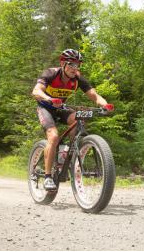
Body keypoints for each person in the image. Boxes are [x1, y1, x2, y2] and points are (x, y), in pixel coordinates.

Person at [31, 48, 112, 191]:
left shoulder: (77, 79)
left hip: (61, 107)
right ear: (62, 63)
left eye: (78, 65)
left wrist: (105, 105)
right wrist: (49, 99)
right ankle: (48, 176)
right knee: (54, 136)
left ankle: (68, 153)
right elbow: (36, 91)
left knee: (79, 118)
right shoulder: (51, 73)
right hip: (46, 107)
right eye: (71, 64)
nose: (75, 68)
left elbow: (94, 95)